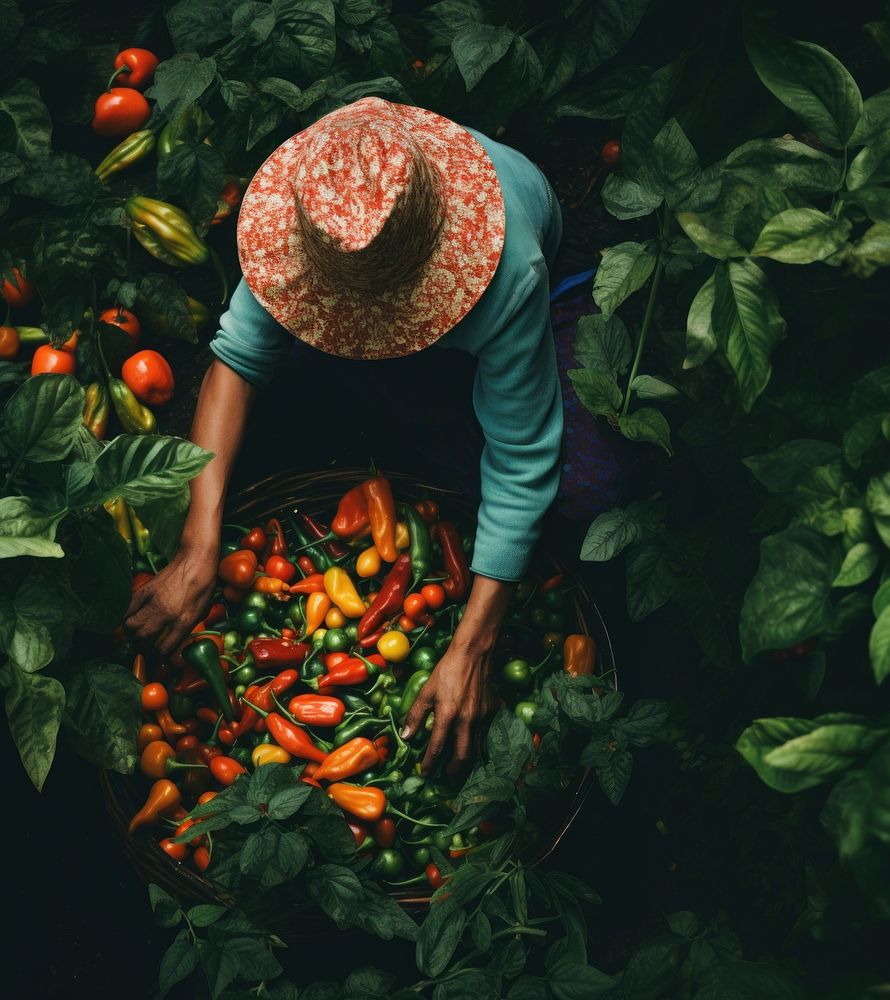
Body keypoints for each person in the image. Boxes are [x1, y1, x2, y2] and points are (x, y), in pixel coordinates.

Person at [124, 97, 564, 773]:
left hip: (491, 313)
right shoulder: (320, 211)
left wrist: (473, 645)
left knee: (581, 481)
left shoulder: (509, 274)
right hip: (388, 324)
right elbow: (235, 361)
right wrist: (199, 541)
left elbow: (522, 455)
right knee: (290, 418)